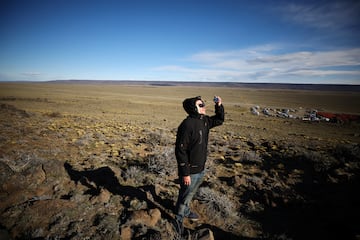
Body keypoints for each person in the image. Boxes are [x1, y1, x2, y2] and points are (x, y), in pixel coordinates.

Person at [173, 95, 225, 234]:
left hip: (201, 168)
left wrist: (219, 105)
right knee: (185, 196)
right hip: (190, 171)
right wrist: (185, 173)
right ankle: (177, 221)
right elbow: (180, 151)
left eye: (203, 104)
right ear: (193, 108)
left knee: (190, 194)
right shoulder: (187, 125)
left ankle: (186, 211)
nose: (204, 106)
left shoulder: (205, 121)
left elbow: (219, 120)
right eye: (201, 105)